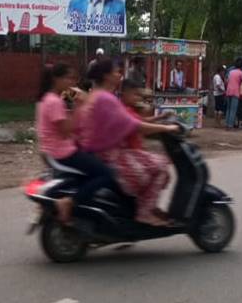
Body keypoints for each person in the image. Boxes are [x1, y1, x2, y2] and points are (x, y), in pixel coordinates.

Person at [76, 59, 180, 226]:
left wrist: (159, 121)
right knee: (161, 166)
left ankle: (145, 205)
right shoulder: (105, 98)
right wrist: (166, 128)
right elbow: (134, 125)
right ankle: (145, 213)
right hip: (109, 155)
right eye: (117, 71)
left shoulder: (97, 95)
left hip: (100, 152)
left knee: (154, 162)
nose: (120, 74)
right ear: (107, 76)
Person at [36, 62, 118, 224]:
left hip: (61, 148)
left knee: (93, 164)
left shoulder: (53, 98)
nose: (73, 83)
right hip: (62, 152)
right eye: (69, 78)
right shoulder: (54, 101)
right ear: (56, 79)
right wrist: (78, 106)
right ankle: (70, 202)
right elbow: (67, 129)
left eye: (74, 79)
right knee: (107, 174)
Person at [225, 58, 242, 130]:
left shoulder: (231, 72)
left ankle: (227, 124)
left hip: (228, 91)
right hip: (235, 92)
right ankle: (230, 126)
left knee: (228, 109)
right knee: (233, 110)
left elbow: (226, 81)